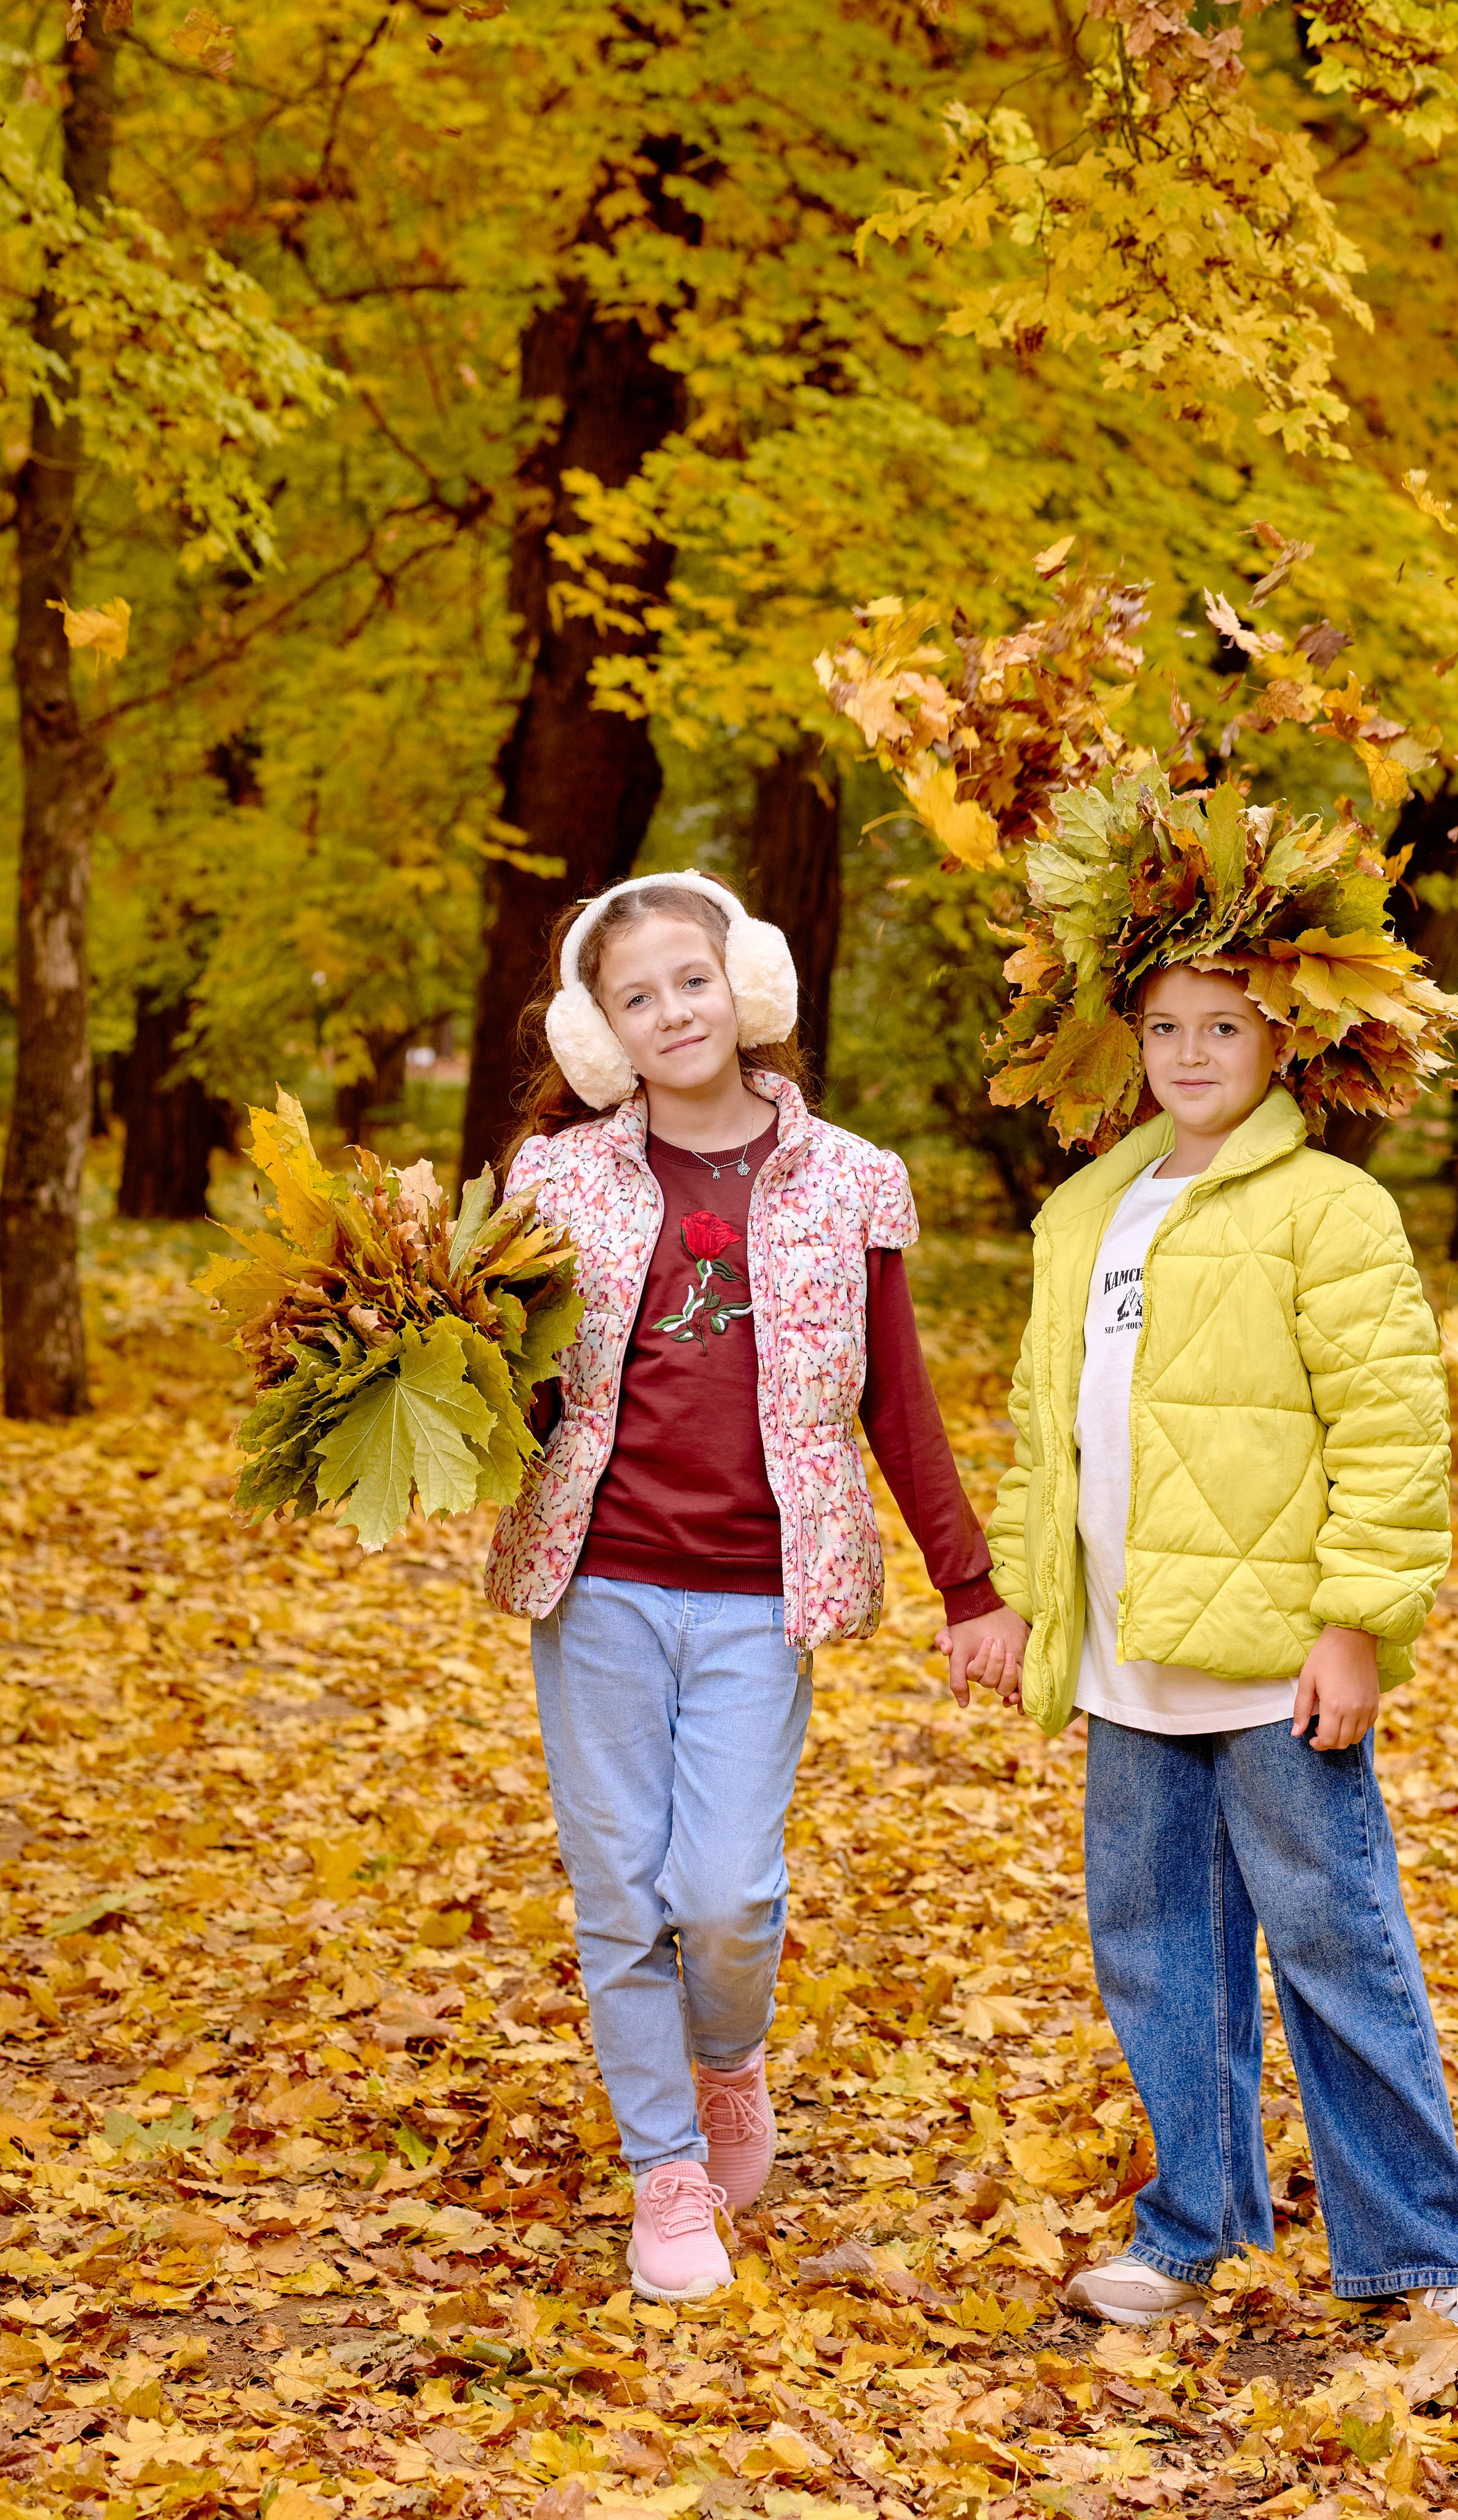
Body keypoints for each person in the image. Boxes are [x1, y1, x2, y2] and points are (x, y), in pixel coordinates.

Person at [980, 856, 1458, 2343]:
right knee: (1156, 1954)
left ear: (1283, 1041)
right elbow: (1046, 1431)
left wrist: (1356, 1626)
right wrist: (1032, 1602)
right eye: (1164, 1027)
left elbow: (1392, 1431)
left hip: (1274, 1666)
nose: (1191, 1054)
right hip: (1127, 1667)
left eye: (1223, 1026)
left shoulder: (1328, 1212)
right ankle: (1190, 2225)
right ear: (1132, 1042)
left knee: (1333, 1943)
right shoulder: (1086, 1212)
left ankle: (1425, 2252)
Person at [484, 871, 1025, 2303]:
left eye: (689, 980)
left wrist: (968, 1586)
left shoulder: (850, 1181)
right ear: (595, 1031)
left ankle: (725, 2061)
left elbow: (896, 1400)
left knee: (719, 1891)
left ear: (751, 987)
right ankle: (663, 2170)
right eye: (632, 996)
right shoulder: (553, 1182)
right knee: (620, 1892)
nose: (669, 1011)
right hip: (593, 1581)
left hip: (756, 1593)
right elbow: (508, 1387)